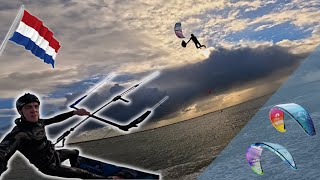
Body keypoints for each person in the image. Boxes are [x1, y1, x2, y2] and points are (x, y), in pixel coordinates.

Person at [0, 93, 109, 179]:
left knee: (75, 152)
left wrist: (74, 112)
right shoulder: (19, 134)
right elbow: (3, 151)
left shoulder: (39, 123)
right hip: (50, 166)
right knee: (85, 174)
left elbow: (55, 119)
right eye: (28, 107)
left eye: (36, 106)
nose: (34, 110)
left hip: (54, 155)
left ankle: (75, 168)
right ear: (20, 111)